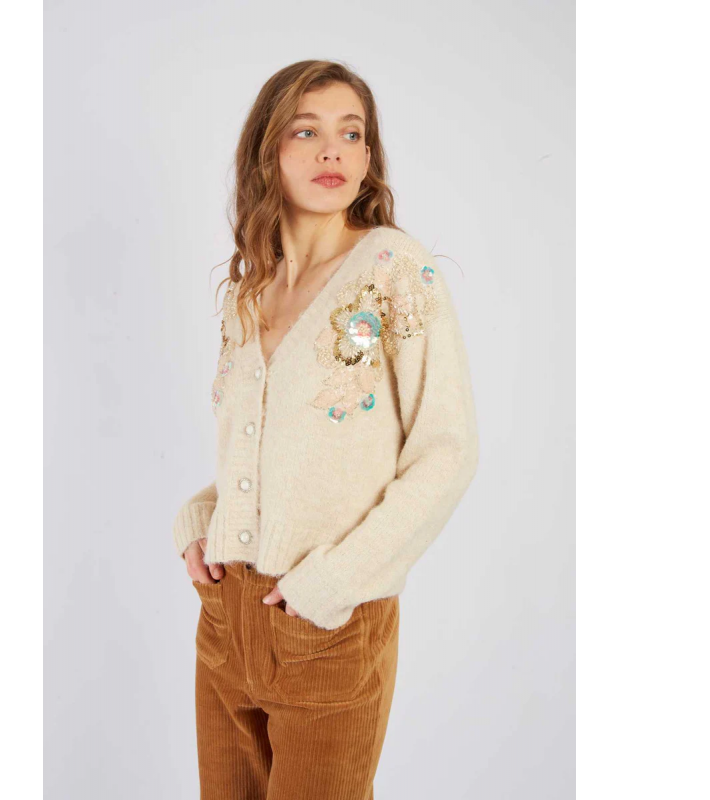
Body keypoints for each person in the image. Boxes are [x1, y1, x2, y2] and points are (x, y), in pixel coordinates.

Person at [173, 59, 479, 799]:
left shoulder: (394, 270)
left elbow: (446, 452)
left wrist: (333, 583)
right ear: (268, 151)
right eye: (306, 131)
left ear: (369, 156)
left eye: (352, 132)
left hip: (329, 623)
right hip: (226, 616)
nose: (332, 151)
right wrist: (199, 521)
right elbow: (267, 455)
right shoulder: (248, 290)